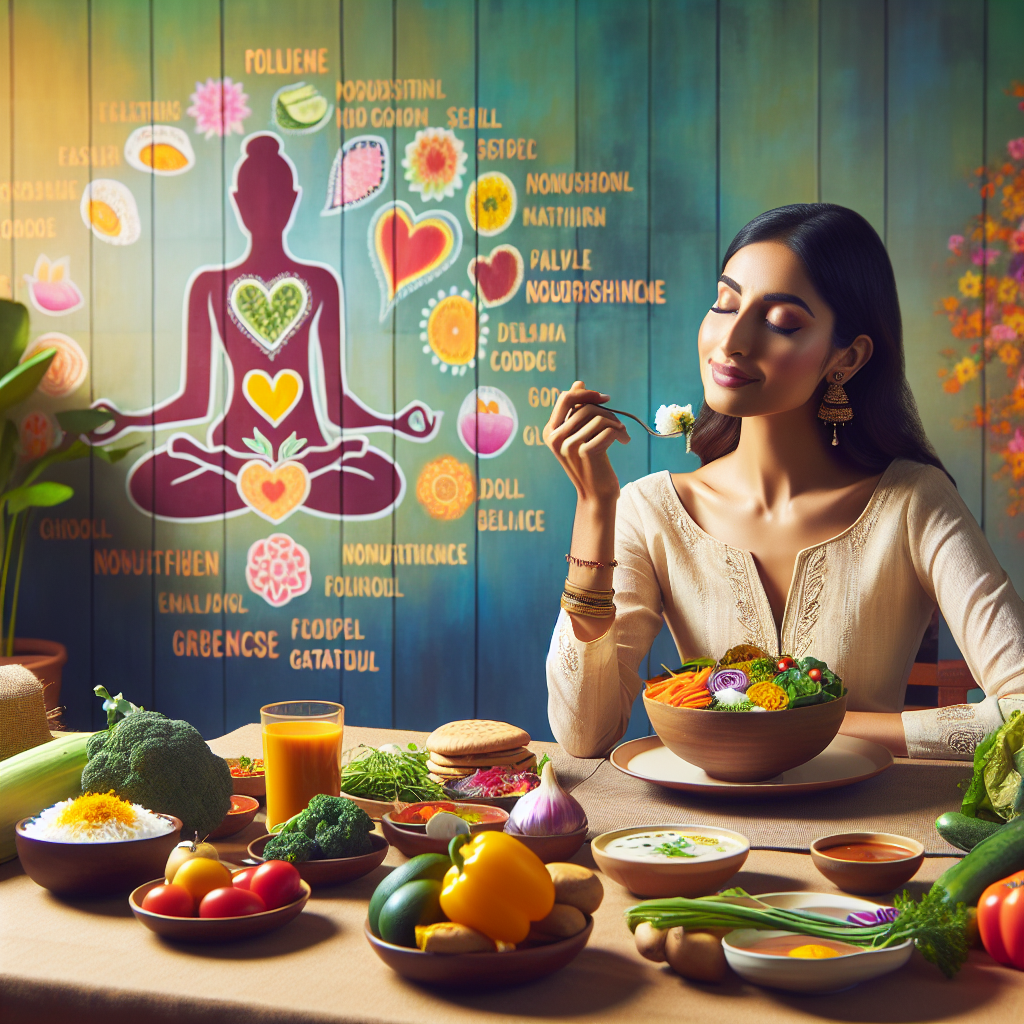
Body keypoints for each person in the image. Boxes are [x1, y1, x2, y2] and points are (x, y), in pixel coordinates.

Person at [544, 203, 1024, 761]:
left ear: (847, 357)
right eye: (725, 304)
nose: (733, 339)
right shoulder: (651, 510)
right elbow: (584, 733)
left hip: (870, 817)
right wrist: (594, 506)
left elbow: (1019, 710)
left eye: (781, 323)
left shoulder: (914, 503)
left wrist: (802, 726)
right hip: (701, 817)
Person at [91, 132, 439, 523]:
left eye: (276, 199)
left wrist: (394, 422)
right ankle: (265, 482)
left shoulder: (321, 283)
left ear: (293, 201)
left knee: (381, 479)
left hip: (309, 454)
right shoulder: (210, 286)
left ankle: (269, 482)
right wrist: (127, 421)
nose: (266, 209)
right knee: (151, 481)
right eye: (254, 200)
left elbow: (337, 407)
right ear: (238, 203)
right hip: (234, 454)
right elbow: (195, 402)